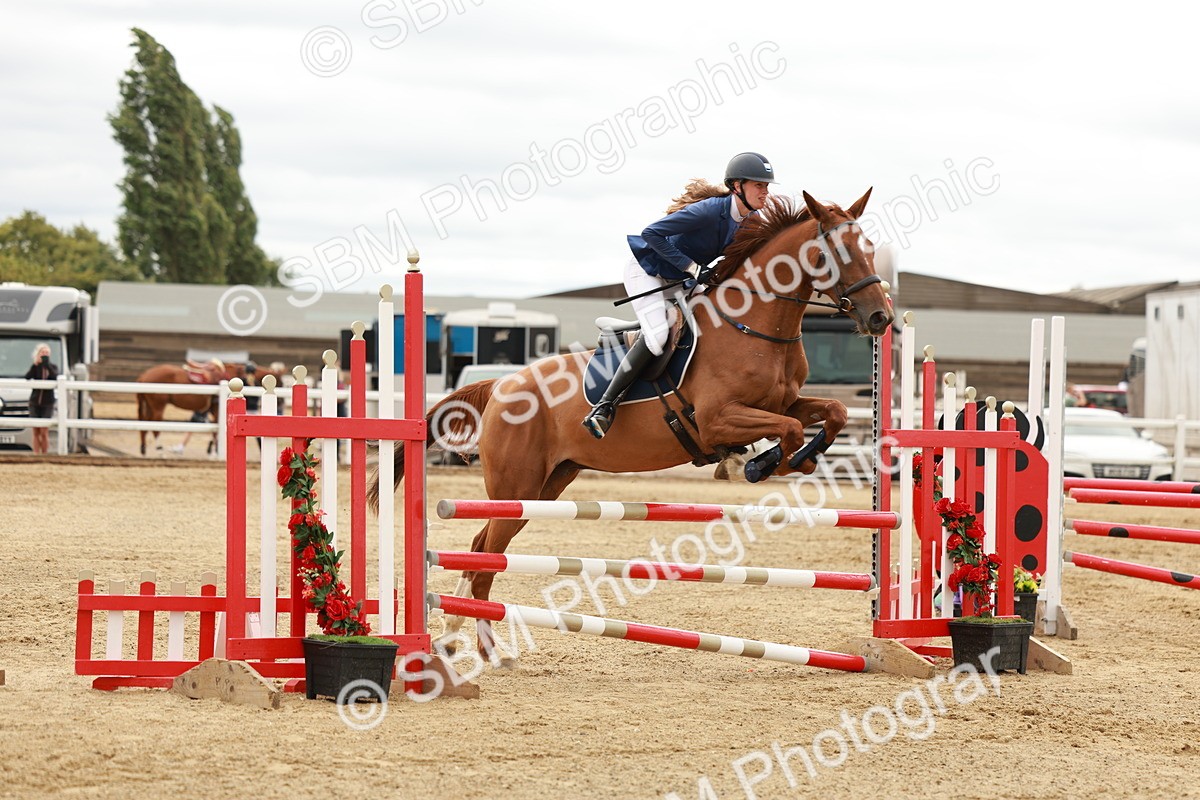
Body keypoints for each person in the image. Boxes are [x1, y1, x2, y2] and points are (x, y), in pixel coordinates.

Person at [582, 152, 776, 439]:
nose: (765, 192)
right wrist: (692, 267)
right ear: (737, 186)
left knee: (714, 321)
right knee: (659, 335)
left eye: (766, 186)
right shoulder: (709, 210)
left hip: (682, 279)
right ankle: (604, 406)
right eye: (759, 185)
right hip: (648, 269)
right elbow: (651, 234)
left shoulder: (752, 220)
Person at [24, 343, 58, 455]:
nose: (44, 355)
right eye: (42, 353)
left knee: (44, 431)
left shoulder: (53, 367)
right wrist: (35, 365)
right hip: (35, 402)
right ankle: (36, 453)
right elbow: (27, 377)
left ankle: (44, 454)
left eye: (46, 353)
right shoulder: (35, 367)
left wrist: (47, 365)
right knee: (35, 431)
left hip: (47, 403)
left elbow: (54, 376)